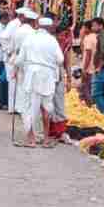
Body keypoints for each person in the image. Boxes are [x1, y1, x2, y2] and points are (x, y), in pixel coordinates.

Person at [14, 17, 64, 148]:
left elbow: (19, 60)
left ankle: (31, 139)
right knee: (46, 107)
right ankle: (46, 139)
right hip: (48, 77)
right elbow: (60, 59)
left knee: (30, 106)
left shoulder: (29, 39)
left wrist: (17, 68)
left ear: (38, 25)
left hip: (32, 75)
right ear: (50, 27)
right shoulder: (52, 40)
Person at [12, 10, 39, 116]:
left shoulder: (18, 30)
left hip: (19, 58)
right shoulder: (32, 32)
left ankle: (19, 107)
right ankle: (25, 107)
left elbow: (14, 46)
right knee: (28, 84)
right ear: (32, 21)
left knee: (20, 83)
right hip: (29, 60)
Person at [0, 7, 25, 113]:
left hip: (16, 56)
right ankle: (12, 107)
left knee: (18, 83)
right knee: (13, 82)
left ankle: (16, 107)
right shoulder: (14, 24)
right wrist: (8, 50)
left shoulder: (19, 25)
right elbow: (3, 37)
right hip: (12, 56)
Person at [87, 17, 104, 115]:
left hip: (103, 69)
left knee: (96, 94)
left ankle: (102, 115)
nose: (92, 28)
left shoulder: (103, 36)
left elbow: (103, 53)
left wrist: (99, 67)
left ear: (100, 26)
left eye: (94, 25)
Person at [78, 21, 94, 105]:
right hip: (93, 68)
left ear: (87, 28)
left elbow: (88, 54)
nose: (82, 30)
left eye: (83, 28)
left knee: (86, 88)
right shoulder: (95, 37)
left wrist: (84, 69)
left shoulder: (88, 38)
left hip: (88, 68)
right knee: (89, 88)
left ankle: (89, 107)